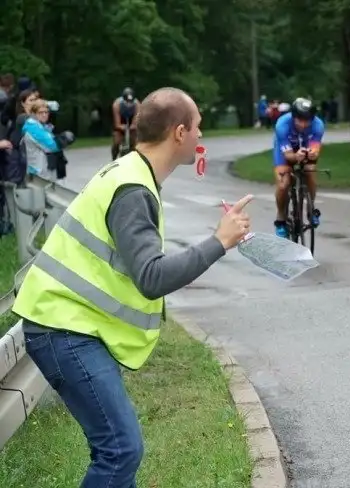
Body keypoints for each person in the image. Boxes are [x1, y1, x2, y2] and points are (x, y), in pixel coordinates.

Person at [12, 87, 253, 488]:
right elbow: (152, 276)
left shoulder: (131, 172)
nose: (200, 137)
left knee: (118, 450)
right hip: (63, 329)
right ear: (179, 133)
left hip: (68, 324)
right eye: (198, 128)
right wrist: (218, 242)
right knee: (120, 449)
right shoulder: (132, 189)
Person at [272, 97, 325, 237]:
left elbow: (315, 148)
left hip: (305, 149)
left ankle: (310, 208)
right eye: (300, 120)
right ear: (293, 117)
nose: (304, 124)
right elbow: (288, 155)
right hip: (286, 152)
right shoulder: (282, 125)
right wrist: (295, 157)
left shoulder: (318, 125)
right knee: (284, 183)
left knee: (310, 170)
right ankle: (281, 218)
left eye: (307, 120)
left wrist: (313, 154)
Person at [111, 87, 140, 160]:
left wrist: (133, 125)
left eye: (131, 101)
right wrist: (119, 126)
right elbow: (116, 120)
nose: (129, 103)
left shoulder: (137, 104)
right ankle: (114, 158)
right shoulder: (117, 104)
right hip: (121, 119)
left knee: (134, 141)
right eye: (127, 101)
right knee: (116, 142)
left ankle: (133, 157)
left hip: (131, 119)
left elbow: (136, 116)